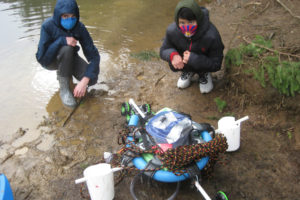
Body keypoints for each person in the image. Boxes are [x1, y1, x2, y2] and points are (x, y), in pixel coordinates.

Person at [36, 0, 100, 108]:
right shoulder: (47, 26)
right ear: (58, 15)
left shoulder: (79, 27)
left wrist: (84, 81)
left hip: (70, 57)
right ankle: (64, 88)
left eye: (73, 16)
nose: (69, 20)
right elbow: (42, 59)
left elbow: (94, 56)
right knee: (67, 49)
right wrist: (62, 41)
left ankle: (69, 74)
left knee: (92, 78)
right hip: (51, 60)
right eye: (65, 16)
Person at [160, 0, 224, 93]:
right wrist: (172, 55)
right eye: (182, 23)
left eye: (190, 22)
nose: (187, 27)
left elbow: (216, 64)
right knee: (173, 57)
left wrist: (195, 59)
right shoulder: (172, 31)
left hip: (203, 64)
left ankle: (203, 74)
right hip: (184, 64)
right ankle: (187, 72)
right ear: (177, 21)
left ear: (198, 19)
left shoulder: (212, 35)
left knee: (197, 62)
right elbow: (163, 50)